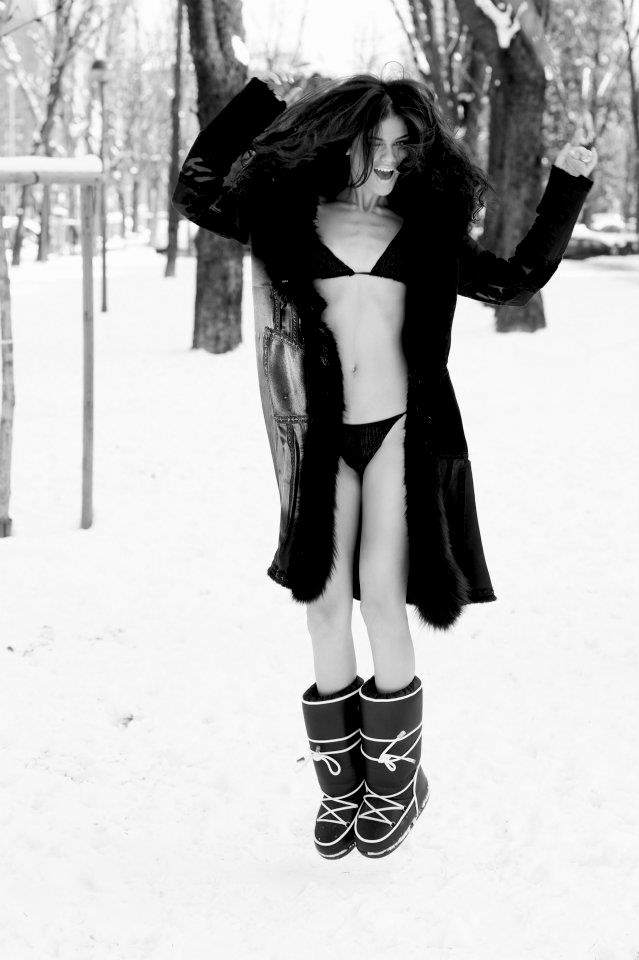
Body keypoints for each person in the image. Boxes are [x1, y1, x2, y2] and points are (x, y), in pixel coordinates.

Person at [172, 72, 596, 861]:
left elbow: (514, 281)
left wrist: (566, 187)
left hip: (401, 435)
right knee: (323, 607)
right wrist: (259, 101)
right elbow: (196, 191)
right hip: (322, 440)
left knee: (380, 606)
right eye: (377, 144)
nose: (391, 160)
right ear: (344, 141)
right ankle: (343, 791)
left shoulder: (424, 232)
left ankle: (397, 785)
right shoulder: (288, 217)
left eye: (404, 145)